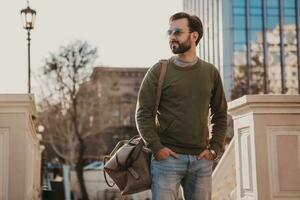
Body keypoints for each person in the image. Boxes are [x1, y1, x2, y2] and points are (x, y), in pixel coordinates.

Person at [135, 12, 227, 200]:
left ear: (194, 36)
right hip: (167, 160)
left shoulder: (210, 72)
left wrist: (214, 149)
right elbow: (143, 114)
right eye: (169, 32)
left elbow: (220, 115)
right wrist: (157, 148)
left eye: (177, 31)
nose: (172, 37)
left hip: (201, 161)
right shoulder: (159, 70)